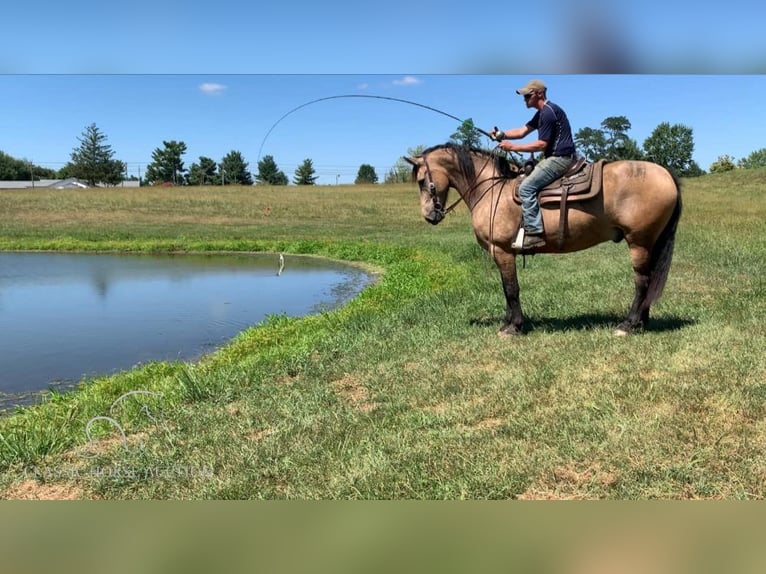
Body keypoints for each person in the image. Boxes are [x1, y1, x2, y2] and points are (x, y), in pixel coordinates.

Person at [490, 79, 576, 250]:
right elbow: (522, 131)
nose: (525, 99)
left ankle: (535, 233)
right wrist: (502, 135)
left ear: (539, 94)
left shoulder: (548, 113)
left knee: (526, 187)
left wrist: (512, 147)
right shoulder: (542, 112)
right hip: (556, 157)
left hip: (560, 159)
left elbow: (541, 145)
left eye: (527, 95)